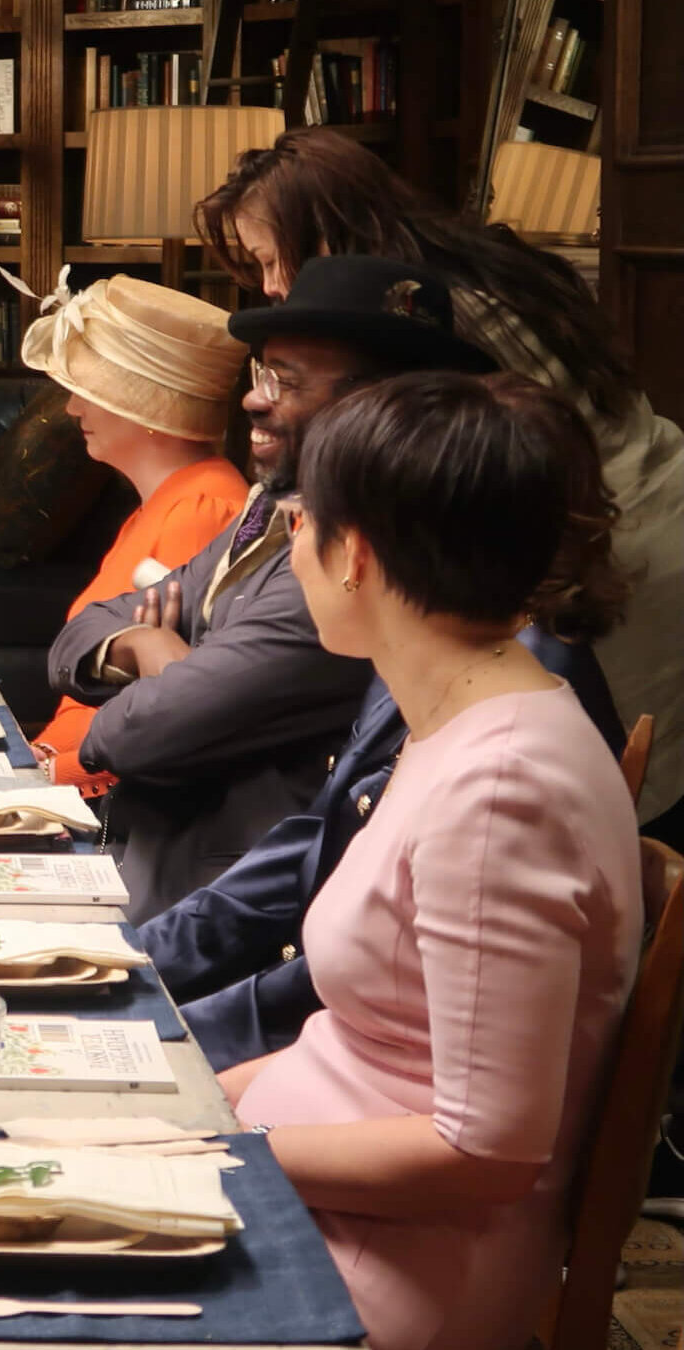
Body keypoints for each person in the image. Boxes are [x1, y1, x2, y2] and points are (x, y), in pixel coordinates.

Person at [224, 371, 641, 1350]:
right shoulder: (464, 716)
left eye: (302, 519)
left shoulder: (501, 788)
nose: (291, 541)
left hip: (372, 1281)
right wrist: (181, 1108)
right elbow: (369, 1047)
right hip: (317, 1215)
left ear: (357, 554)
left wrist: (218, 1150)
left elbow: (484, 1153)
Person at [198, 125, 684, 833]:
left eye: (272, 259)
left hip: (616, 568)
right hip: (650, 520)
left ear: (327, 229)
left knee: (591, 795)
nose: (271, 285)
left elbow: (491, 476)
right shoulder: (477, 271)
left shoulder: (427, 331)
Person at [45, 256, 484, 918]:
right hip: (154, 869)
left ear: (377, 404)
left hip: (208, 902)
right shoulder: (274, 510)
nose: (253, 398)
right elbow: (72, 644)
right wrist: (147, 646)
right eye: (261, 373)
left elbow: (137, 737)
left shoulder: (354, 562)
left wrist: (162, 676)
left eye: (287, 381)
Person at [5, 273, 251, 793]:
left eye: (90, 391)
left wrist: (38, 778)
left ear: (147, 407)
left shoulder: (201, 511)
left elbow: (165, 718)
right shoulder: (166, 502)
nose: (72, 408)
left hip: (97, 791)